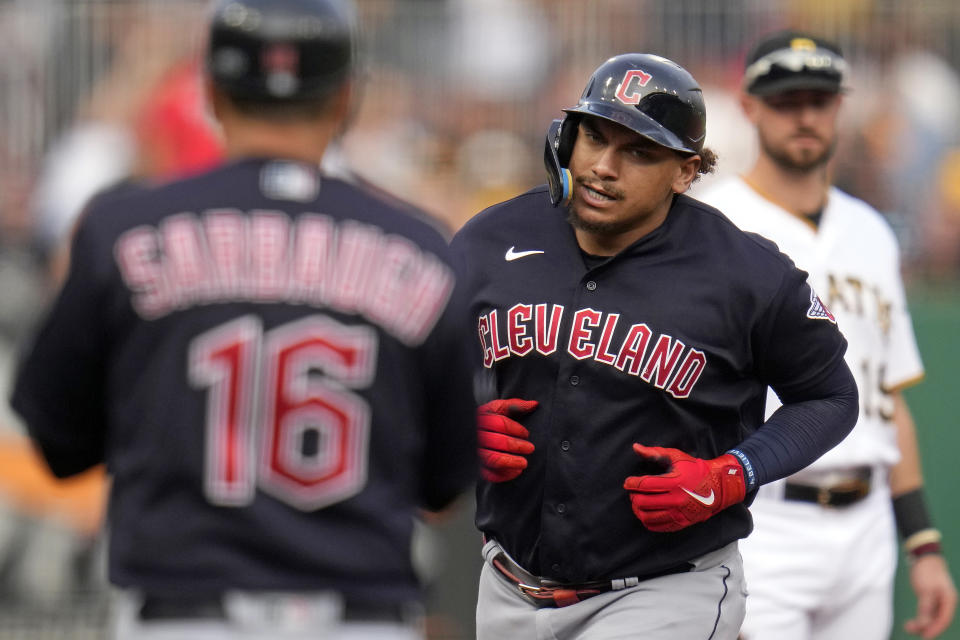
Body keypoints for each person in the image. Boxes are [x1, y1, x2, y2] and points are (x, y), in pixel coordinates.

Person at [9, 1, 478, 638]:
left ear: (211, 90)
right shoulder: (421, 247)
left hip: (184, 613)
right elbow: (446, 484)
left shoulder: (123, 231)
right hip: (360, 614)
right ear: (345, 97)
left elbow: (57, 441)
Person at [450, 52, 859, 640]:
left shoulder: (746, 274)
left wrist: (733, 473)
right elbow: (427, 365)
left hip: (664, 592)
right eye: (593, 137)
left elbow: (830, 397)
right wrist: (462, 426)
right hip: (508, 585)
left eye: (639, 151)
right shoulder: (491, 238)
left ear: (686, 171)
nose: (603, 167)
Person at [697, 30, 957, 640]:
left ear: (841, 107)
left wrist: (923, 544)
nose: (805, 115)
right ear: (750, 105)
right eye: (787, 100)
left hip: (866, 529)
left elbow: (890, 402)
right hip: (762, 517)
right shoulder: (711, 222)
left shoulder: (872, 231)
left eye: (819, 99)